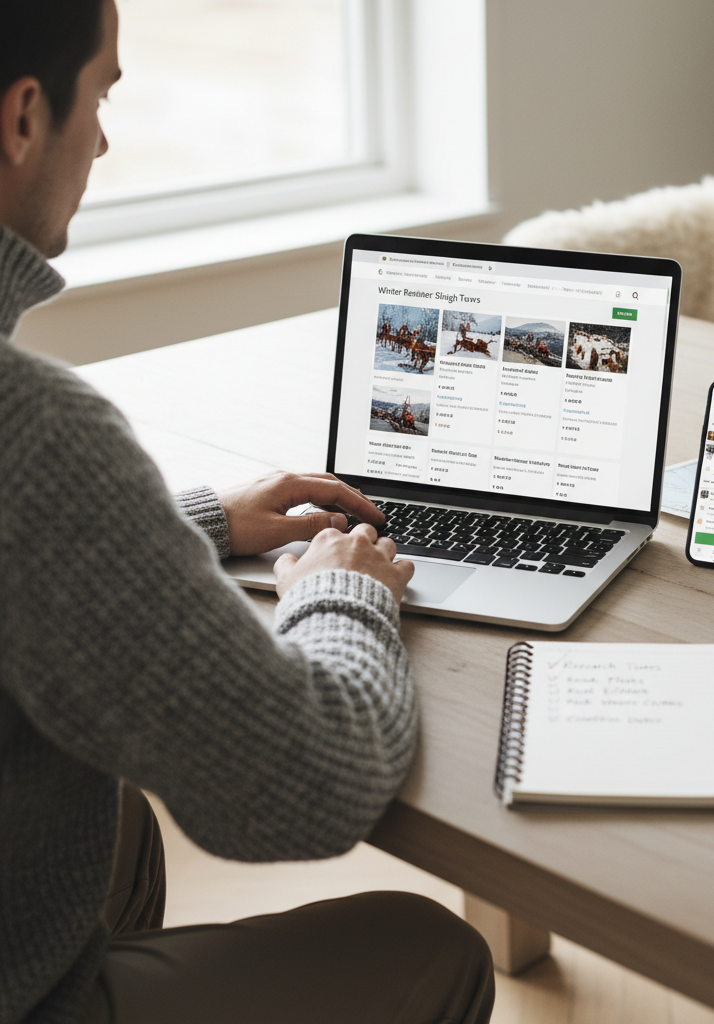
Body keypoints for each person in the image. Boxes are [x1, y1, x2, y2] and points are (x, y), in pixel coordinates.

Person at [0, 2, 494, 1022]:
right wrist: (345, 598)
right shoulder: (36, 435)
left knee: (113, 822)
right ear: (20, 119)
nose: (101, 137)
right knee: (431, 951)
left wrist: (193, 525)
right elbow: (303, 787)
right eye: (102, 95)